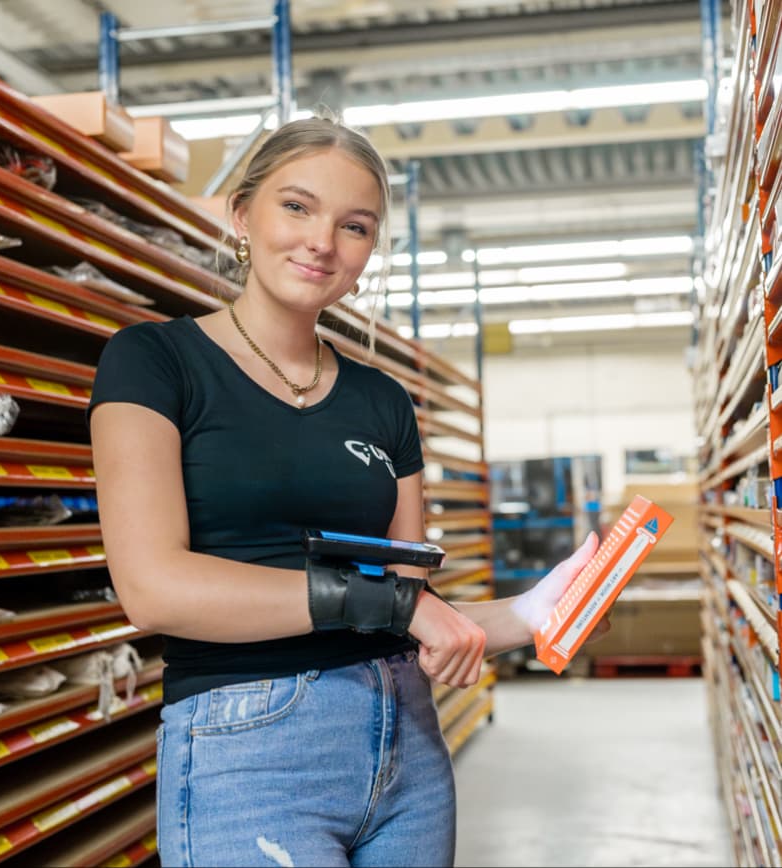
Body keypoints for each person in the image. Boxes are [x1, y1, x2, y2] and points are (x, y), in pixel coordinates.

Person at [88, 115, 601, 868]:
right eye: (296, 207)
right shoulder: (154, 362)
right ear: (242, 214)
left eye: (354, 225)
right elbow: (154, 588)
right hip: (247, 748)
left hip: (407, 745)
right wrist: (394, 604)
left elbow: (409, 606)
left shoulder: (383, 401)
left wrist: (535, 614)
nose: (322, 241)